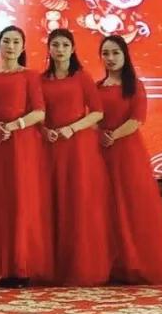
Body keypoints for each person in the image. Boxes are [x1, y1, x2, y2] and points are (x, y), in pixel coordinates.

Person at [98, 35, 162, 286]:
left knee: (131, 206)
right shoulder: (96, 87)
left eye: (115, 53)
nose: (110, 58)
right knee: (105, 207)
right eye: (106, 53)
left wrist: (112, 136)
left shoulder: (134, 86)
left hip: (127, 152)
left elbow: (136, 120)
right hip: (99, 152)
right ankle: (109, 264)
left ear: (125, 55)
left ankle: (135, 263)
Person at [39, 28, 112, 287]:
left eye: (65, 45)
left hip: (78, 147)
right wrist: (44, 130)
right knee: (53, 202)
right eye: (55, 45)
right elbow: (38, 113)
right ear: (49, 49)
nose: (60, 50)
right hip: (50, 147)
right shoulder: (41, 80)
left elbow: (97, 113)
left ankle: (82, 265)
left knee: (78, 202)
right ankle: (53, 266)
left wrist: (72, 128)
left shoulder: (82, 77)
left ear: (73, 49)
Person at [0, 25, 54, 287]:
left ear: (23, 46)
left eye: (16, 41)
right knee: (0, 203)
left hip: (23, 144)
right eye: (6, 41)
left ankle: (23, 266)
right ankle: (4, 268)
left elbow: (39, 112)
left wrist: (14, 126)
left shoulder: (30, 75)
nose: (10, 46)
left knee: (22, 201)